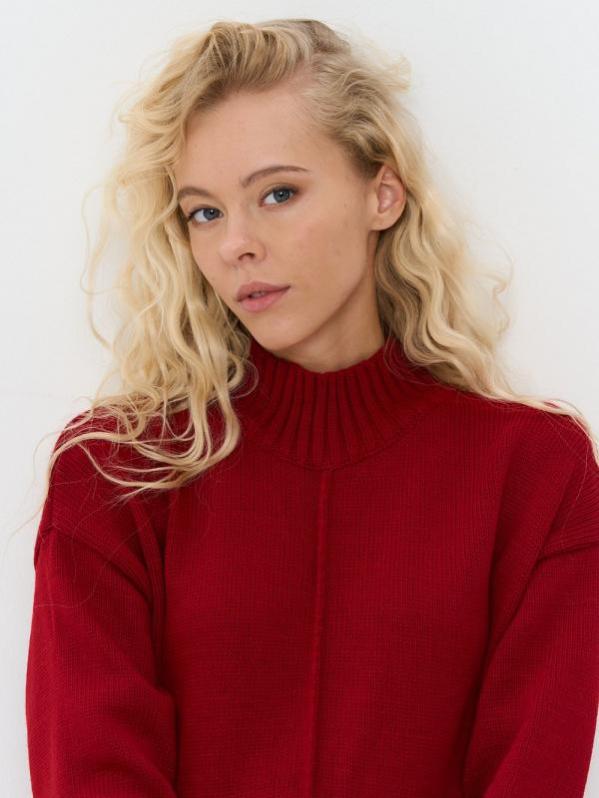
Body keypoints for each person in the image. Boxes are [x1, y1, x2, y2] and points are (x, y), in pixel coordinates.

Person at [25, 17, 599, 798]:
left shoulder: (534, 476)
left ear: (382, 195)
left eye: (278, 193)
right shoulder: (117, 473)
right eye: (204, 211)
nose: (236, 243)